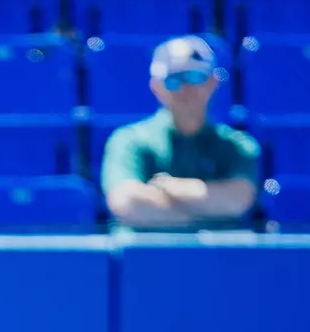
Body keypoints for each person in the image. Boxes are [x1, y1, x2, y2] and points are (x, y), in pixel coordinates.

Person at [100, 36, 260, 230]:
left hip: (218, 259)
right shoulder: (128, 140)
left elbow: (237, 201)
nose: (186, 88)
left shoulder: (238, 145)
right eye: (174, 80)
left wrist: (166, 186)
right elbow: (127, 202)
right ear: (156, 87)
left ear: (212, 82)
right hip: (147, 257)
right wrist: (205, 216)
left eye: (195, 77)